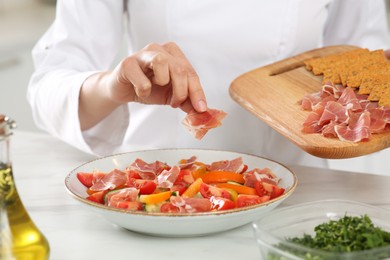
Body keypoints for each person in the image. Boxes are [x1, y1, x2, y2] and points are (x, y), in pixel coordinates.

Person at [27, 0, 390, 175]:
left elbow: (363, 65)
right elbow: (49, 87)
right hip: (157, 190)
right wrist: (112, 86)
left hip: (295, 193)